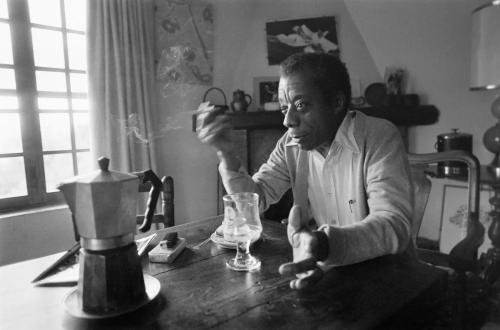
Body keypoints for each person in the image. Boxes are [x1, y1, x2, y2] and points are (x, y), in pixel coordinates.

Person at [197, 52, 413, 290]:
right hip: (330, 275)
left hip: (388, 278)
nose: (288, 120)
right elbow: (255, 198)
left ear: (336, 103)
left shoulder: (378, 136)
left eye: (301, 105)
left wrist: (322, 243)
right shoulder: (290, 145)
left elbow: (393, 223)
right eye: (284, 108)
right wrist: (226, 153)